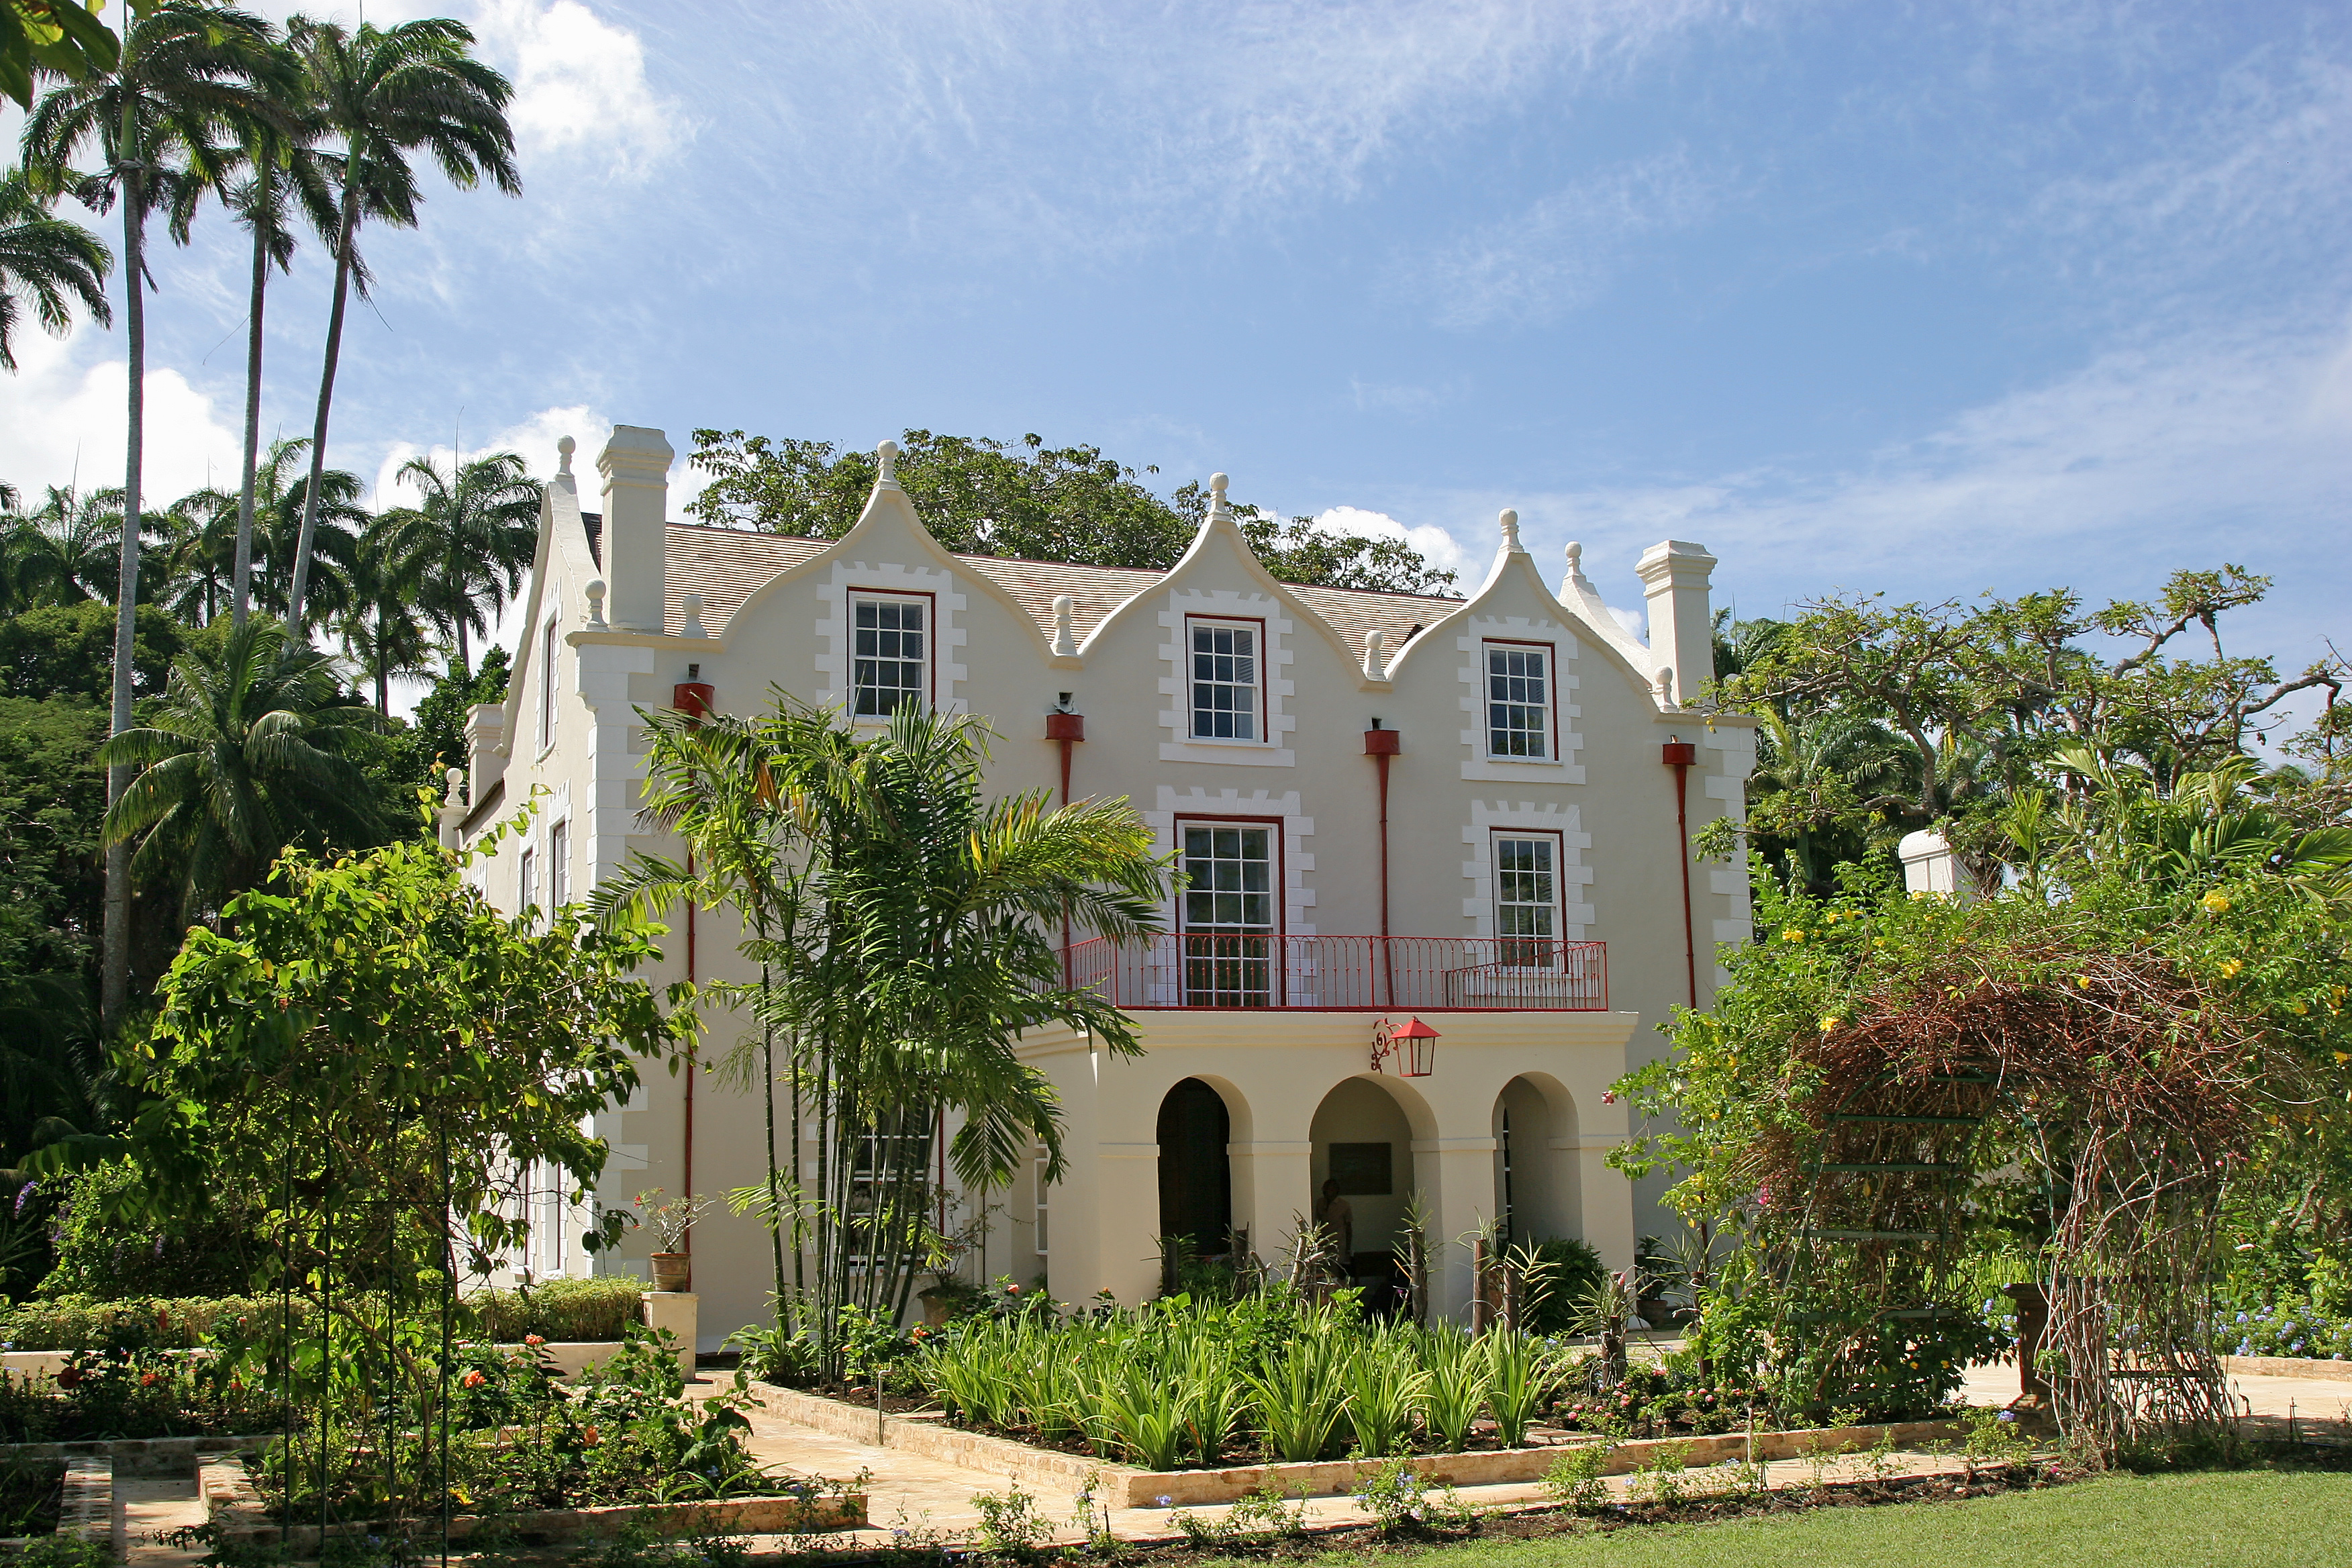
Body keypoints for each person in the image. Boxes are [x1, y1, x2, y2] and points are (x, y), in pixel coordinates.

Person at [1319, 1178, 1354, 1270]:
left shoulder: (1344, 1205)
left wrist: (1348, 1249)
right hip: (1322, 1244)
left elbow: (1349, 1227)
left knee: (1335, 1271)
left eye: (1331, 1190)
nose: (1327, 1192)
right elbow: (1318, 1223)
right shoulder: (1320, 1203)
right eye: (1325, 1190)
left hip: (1337, 1245)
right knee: (1323, 1270)